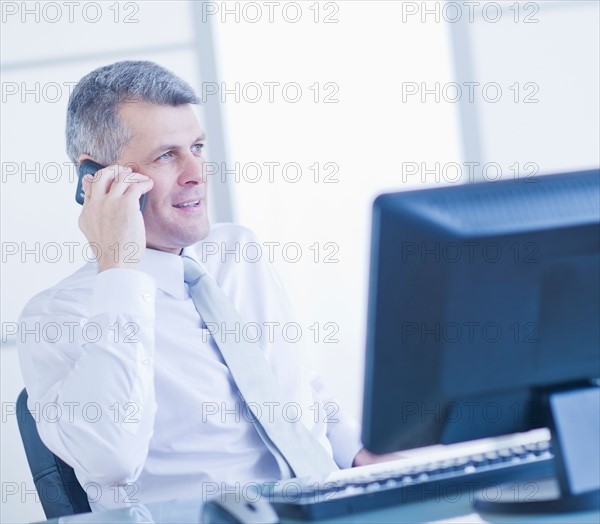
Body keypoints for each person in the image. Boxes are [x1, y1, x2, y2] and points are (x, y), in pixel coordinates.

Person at [17, 60, 393, 513]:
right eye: (166, 155)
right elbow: (111, 458)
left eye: (196, 147)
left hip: (332, 504)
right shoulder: (56, 316)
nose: (196, 172)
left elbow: (293, 385)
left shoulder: (238, 253)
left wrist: (357, 452)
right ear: (94, 178)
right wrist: (118, 267)